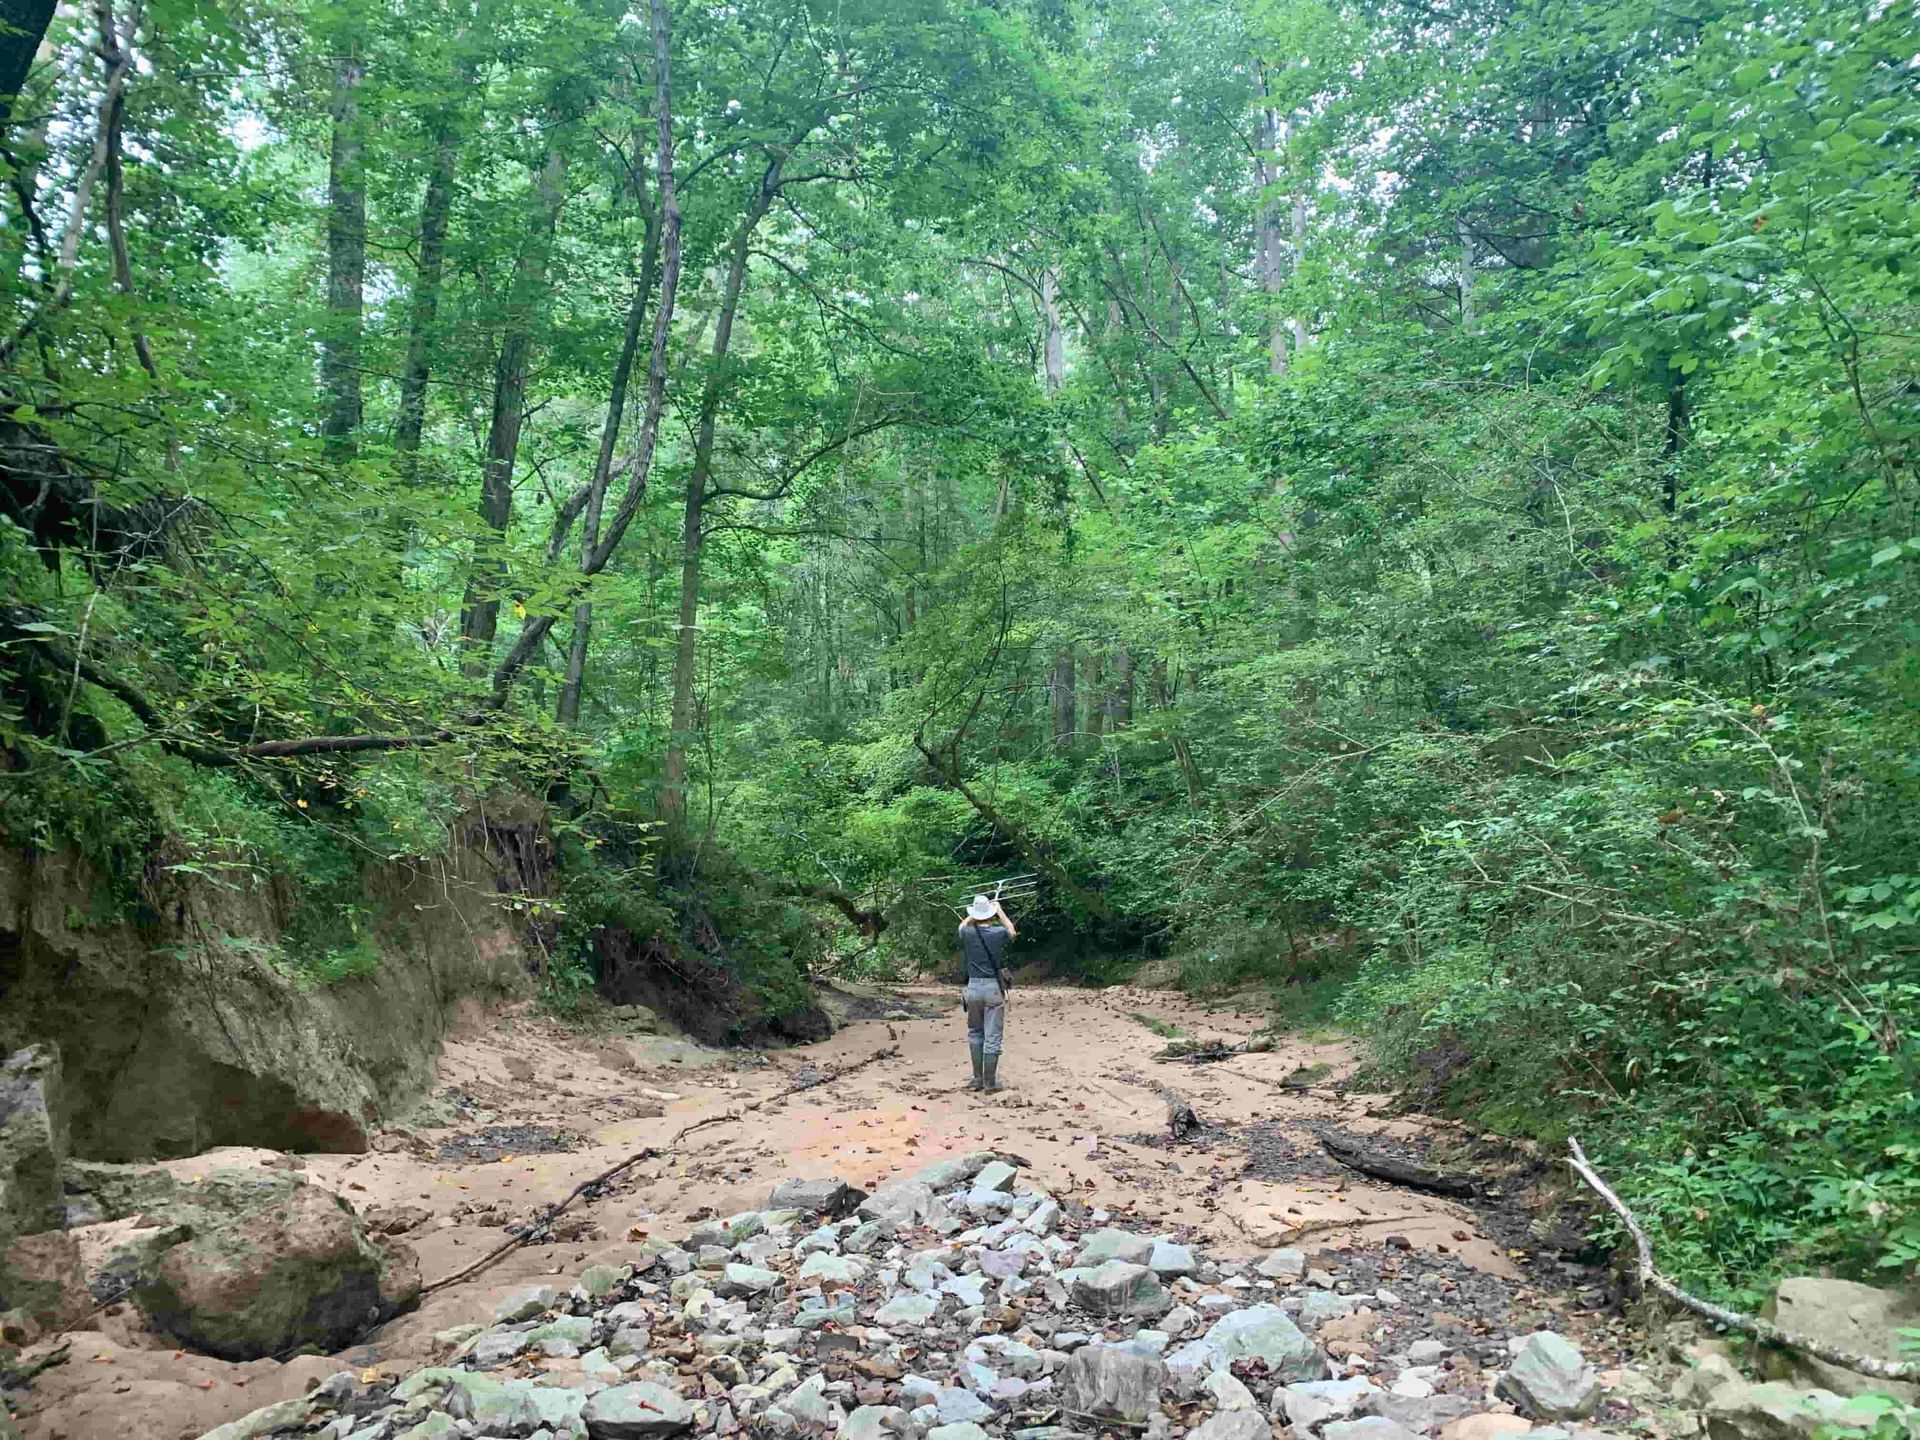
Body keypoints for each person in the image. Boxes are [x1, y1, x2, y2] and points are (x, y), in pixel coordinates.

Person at [958, 893, 1016, 1092]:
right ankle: (990, 1083)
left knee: (975, 1032)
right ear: (990, 915)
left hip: (973, 988)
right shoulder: (998, 932)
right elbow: (1012, 931)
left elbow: (961, 926)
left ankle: (977, 1079)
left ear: (975, 913)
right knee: (993, 1035)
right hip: (992, 988)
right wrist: (999, 910)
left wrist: (972, 914)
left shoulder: (967, 933)